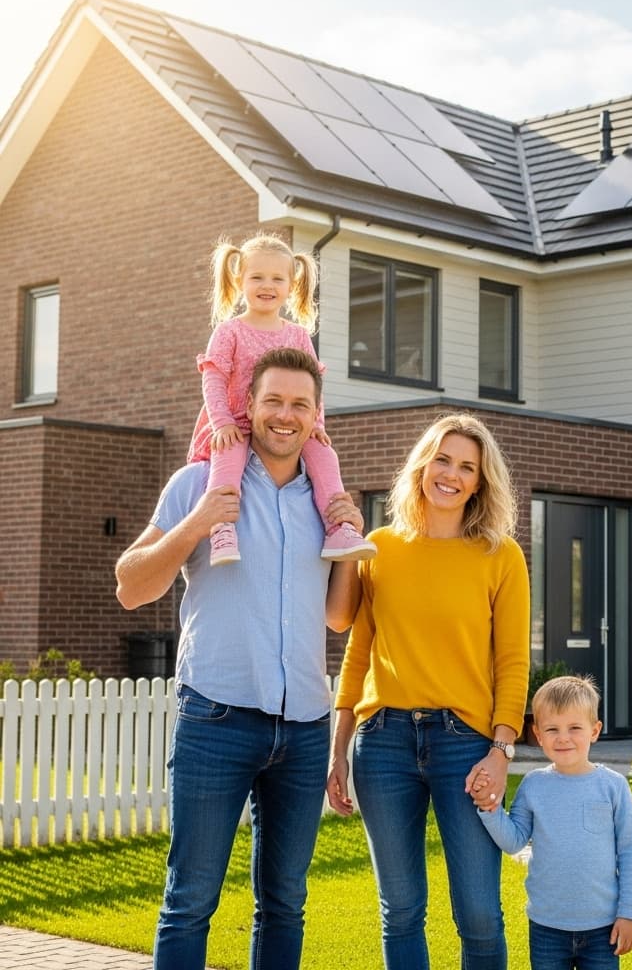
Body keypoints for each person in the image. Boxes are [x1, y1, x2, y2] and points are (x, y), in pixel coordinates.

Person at [115, 347, 364, 970]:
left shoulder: (326, 500)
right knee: (190, 899)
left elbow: (338, 616)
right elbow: (130, 586)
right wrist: (196, 524)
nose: (286, 415)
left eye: (300, 404)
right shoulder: (200, 483)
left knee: (284, 901)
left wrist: (352, 547)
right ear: (246, 408)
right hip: (216, 723)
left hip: (304, 727)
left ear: (316, 415)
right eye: (273, 400)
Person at [326, 412, 530, 970]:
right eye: (443, 459)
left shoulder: (500, 556)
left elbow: (513, 663)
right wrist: (338, 749)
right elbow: (356, 651)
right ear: (422, 466)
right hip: (383, 743)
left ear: (481, 482)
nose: (453, 474)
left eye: (468, 466)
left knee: (480, 914)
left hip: (466, 745)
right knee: (401, 910)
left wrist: (501, 749)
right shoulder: (380, 547)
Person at [188, 231, 374, 566]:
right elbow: (213, 380)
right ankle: (222, 528)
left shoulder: (297, 334)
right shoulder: (230, 331)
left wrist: (316, 425)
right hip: (236, 422)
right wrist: (223, 423)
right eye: (256, 277)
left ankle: (338, 527)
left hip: (285, 424)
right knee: (227, 460)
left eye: (277, 278)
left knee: (325, 457)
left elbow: (312, 385)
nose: (267, 285)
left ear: (291, 286)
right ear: (240, 280)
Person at [476, 675, 632, 970]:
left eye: (574, 728)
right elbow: (514, 840)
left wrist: (629, 914)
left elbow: (630, 854)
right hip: (546, 927)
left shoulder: (613, 787)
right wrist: (489, 809)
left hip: (603, 927)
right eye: (552, 729)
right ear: (538, 735)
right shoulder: (533, 785)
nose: (563, 737)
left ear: (595, 730)